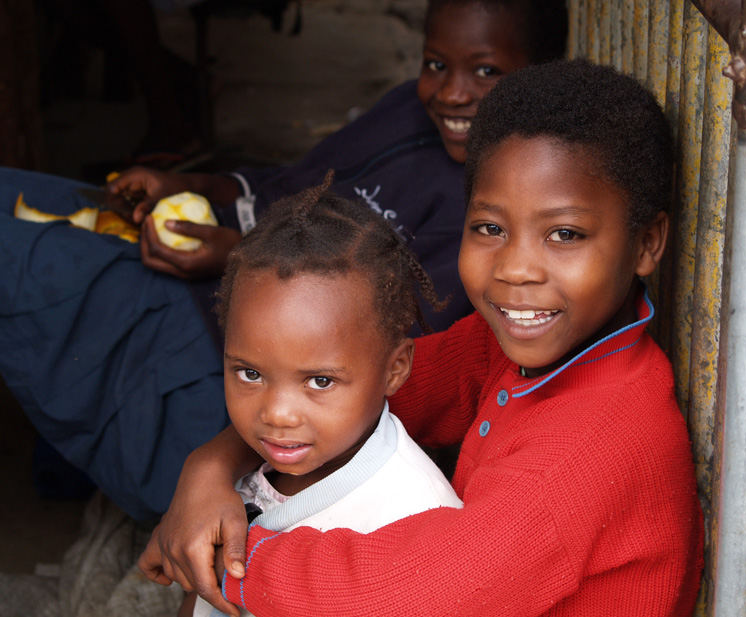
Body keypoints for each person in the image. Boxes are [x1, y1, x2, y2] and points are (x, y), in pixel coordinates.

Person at [139, 59, 705, 616]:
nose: (516, 269)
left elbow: (405, 594)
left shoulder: (597, 443)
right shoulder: (511, 343)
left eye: (564, 233)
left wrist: (223, 555)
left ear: (648, 243)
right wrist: (208, 469)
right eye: (490, 228)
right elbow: (346, 392)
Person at [0, 0, 566, 520]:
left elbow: (362, 340)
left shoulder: (496, 207)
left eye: (486, 72)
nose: (451, 93)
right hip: (217, 297)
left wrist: (240, 263)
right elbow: (288, 186)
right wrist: (188, 183)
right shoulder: (408, 114)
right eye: (436, 64)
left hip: (213, 342)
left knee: (30, 261)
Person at [180, 173, 462, 617]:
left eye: (320, 382)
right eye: (250, 373)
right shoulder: (249, 461)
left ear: (396, 369)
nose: (276, 413)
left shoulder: (415, 515)